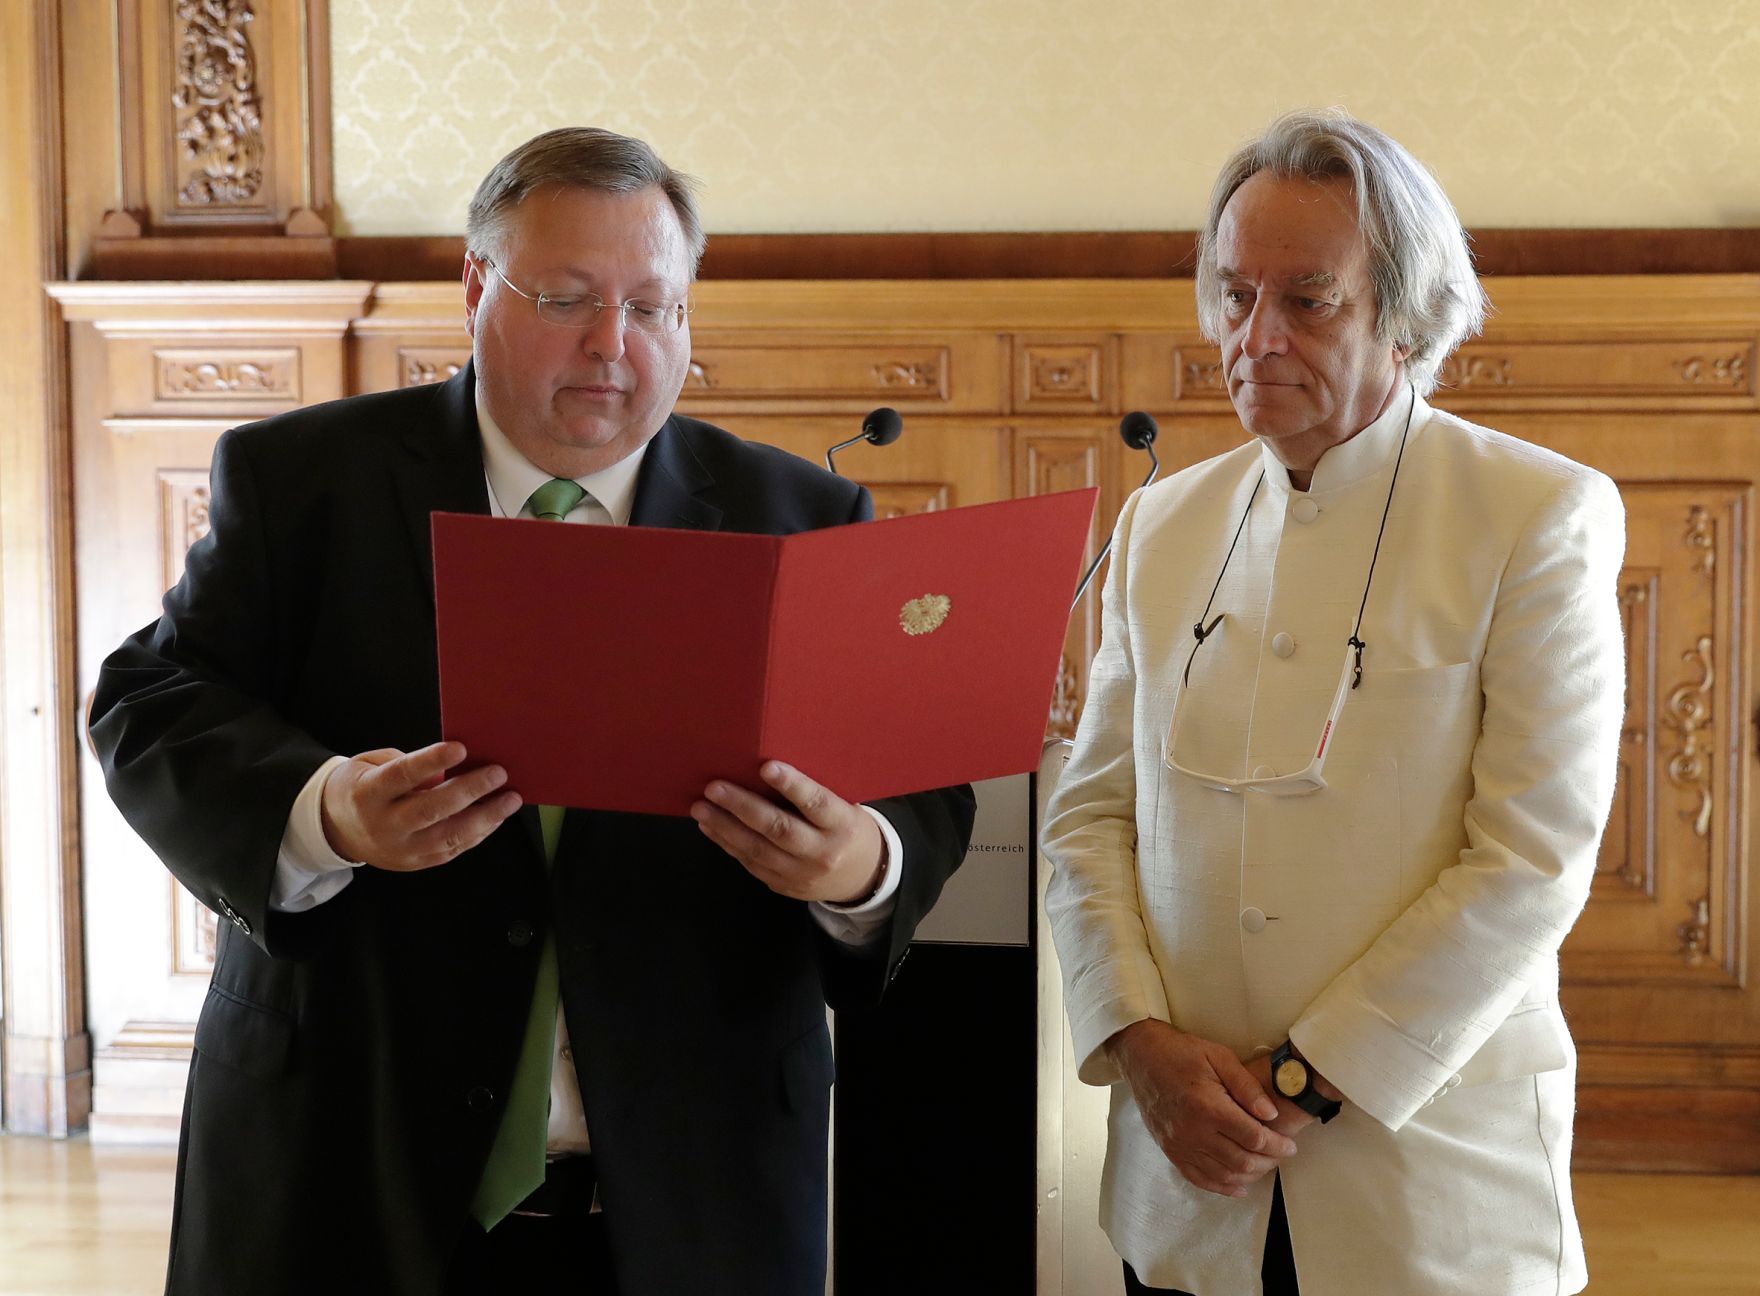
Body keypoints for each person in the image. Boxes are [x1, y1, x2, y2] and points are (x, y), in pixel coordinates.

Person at [90, 126, 973, 1296]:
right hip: (348, 1176)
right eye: (565, 298)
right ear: (474, 287)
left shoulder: (801, 519)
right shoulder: (304, 482)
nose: (613, 346)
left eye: (654, 309)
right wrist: (324, 815)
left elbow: (923, 788)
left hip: (685, 1203)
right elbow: (151, 701)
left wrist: (859, 860)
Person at [1042, 109, 1624, 1296]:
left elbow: (1528, 860)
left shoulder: (1532, 514)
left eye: (1306, 300)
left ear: (1403, 316)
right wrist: (1143, 1050)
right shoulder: (1162, 522)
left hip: (1425, 1189)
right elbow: (1088, 816)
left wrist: (1299, 1082)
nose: (1253, 337)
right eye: (1231, 295)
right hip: (1183, 1181)